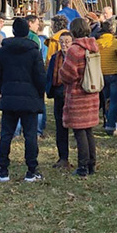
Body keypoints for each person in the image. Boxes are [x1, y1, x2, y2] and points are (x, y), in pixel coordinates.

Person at [0, 18, 47, 182]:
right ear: (27, 31)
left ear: (13, 31)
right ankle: (31, 170)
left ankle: (3, 170)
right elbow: (40, 76)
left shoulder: (3, 51)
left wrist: (4, 88)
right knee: (30, 135)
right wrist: (38, 92)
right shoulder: (34, 51)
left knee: (6, 134)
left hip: (9, 96)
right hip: (30, 98)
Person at [59, 18, 100, 177]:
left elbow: (68, 74)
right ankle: (91, 164)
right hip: (92, 92)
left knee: (79, 131)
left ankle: (82, 166)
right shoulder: (94, 46)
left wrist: (61, 71)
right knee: (88, 130)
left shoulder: (74, 50)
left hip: (78, 94)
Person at [46, 31, 72, 168]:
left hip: (73, 95)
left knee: (78, 128)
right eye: (61, 42)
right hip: (59, 95)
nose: (64, 44)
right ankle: (63, 157)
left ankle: (83, 159)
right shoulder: (55, 58)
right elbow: (50, 76)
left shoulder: (76, 57)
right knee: (60, 127)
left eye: (67, 41)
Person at [96, 19, 117, 136]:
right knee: (114, 101)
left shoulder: (97, 42)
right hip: (115, 73)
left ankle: (108, 121)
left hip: (102, 74)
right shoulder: (115, 42)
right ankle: (111, 126)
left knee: (106, 100)